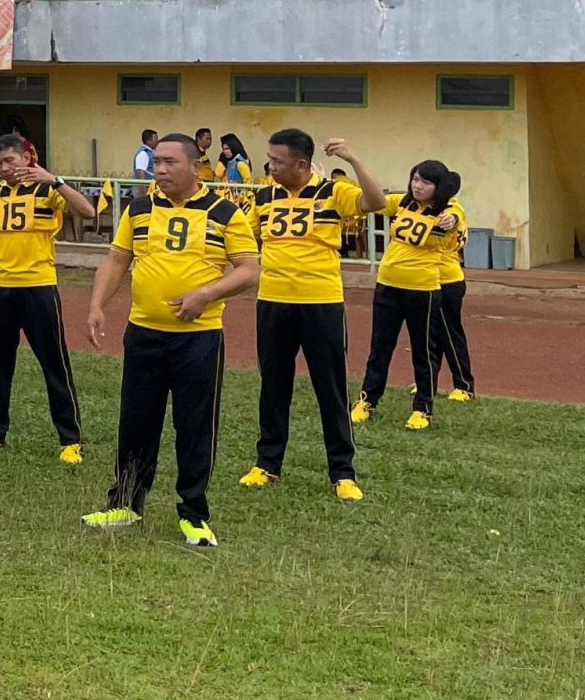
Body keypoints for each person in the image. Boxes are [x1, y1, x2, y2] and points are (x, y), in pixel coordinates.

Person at [81, 133, 257, 546]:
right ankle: (125, 503)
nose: (159, 170)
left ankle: (193, 512)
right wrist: (96, 305)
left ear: (196, 166)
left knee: (194, 424)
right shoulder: (140, 209)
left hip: (198, 338)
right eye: (156, 162)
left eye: (169, 163)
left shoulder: (225, 212)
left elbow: (250, 268)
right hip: (144, 333)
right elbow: (117, 260)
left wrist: (205, 294)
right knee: (136, 420)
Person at [0, 134, 89, 463]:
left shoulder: (47, 189)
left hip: (38, 287)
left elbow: (87, 210)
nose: (5, 168)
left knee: (54, 364)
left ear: (27, 158)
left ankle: (70, 438)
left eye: (10, 160)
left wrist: (56, 180)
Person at [240, 128, 367, 500]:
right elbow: (243, 240)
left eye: (277, 161)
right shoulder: (264, 196)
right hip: (273, 301)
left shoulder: (333, 192)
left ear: (300, 164)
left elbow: (374, 202)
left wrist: (353, 160)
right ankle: (267, 463)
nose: (270, 166)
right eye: (269, 159)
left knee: (330, 388)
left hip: (321, 303)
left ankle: (342, 472)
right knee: (274, 386)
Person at [331, 142, 458, 430]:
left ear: (439, 187)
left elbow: (456, 221)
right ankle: (367, 399)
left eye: (426, 182)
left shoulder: (448, 212)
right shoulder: (402, 203)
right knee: (380, 346)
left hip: (423, 290)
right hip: (388, 286)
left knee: (423, 349)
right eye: (415, 179)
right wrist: (349, 166)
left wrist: (451, 220)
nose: (418, 186)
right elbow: (373, 199)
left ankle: (423, 407)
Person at [429, 182, 475, 401]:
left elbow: (453, 216)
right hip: (433, 279)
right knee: (433, 333)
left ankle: (464, 384)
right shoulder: (436, 207)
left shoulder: (451, 208)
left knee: (449, 332)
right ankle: (430, 380)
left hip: (447, 279)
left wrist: (451, 219)